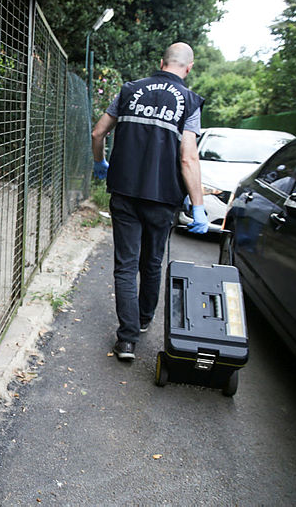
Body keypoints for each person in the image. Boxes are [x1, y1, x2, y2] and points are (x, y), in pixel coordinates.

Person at [91, 42, 208, 361]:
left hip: (125, 192)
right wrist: (197, 204)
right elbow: (188, 158)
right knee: (152, 262)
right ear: (189, 66)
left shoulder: (130, 90)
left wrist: (101, 162)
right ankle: (143, 321)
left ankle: (126, 340)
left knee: (126, 265)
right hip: (163, 198)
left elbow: (98, 132)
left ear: (161, 62)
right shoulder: (190, 101)